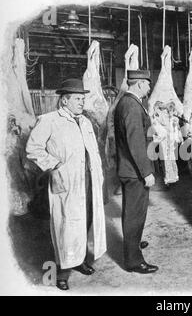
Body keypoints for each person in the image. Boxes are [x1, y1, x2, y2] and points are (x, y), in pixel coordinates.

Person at [26, 78, 107, 290]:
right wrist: (54, 165)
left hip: (88, 181)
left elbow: (92, 151)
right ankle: (61, 273)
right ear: (64, 101)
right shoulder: (49, 120)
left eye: (83, 98)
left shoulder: (86, 122)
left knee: (86, 221)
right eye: (78, 99)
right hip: (67, 182)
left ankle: (79, 261)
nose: (82, 102)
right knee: (66, 229)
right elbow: (33, 149)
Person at [114, 70, 158, 274]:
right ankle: (133, 260)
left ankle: (133, 245)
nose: (150, 88)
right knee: (134, 214)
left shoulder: (130, 102)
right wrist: (146, 172)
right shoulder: (131, 105)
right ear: (140, 84)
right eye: (148, 84)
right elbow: (136, 143)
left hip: (131, 169)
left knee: (134, 213)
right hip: (134, 171)